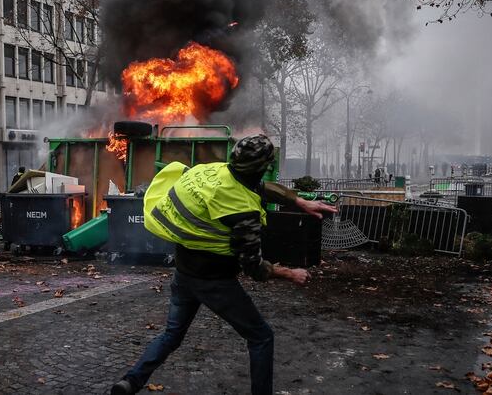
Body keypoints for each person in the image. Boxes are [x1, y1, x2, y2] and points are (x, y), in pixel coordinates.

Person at [111, 135, 337, 395]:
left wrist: (299, 201)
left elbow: (262, 187)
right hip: (215, 282)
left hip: (183, 273)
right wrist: (290, 273)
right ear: (261, 168)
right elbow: (254, 268)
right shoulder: (243, 212)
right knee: (261, 337)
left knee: (171, 335)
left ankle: (130, 381)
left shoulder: (212, 171)